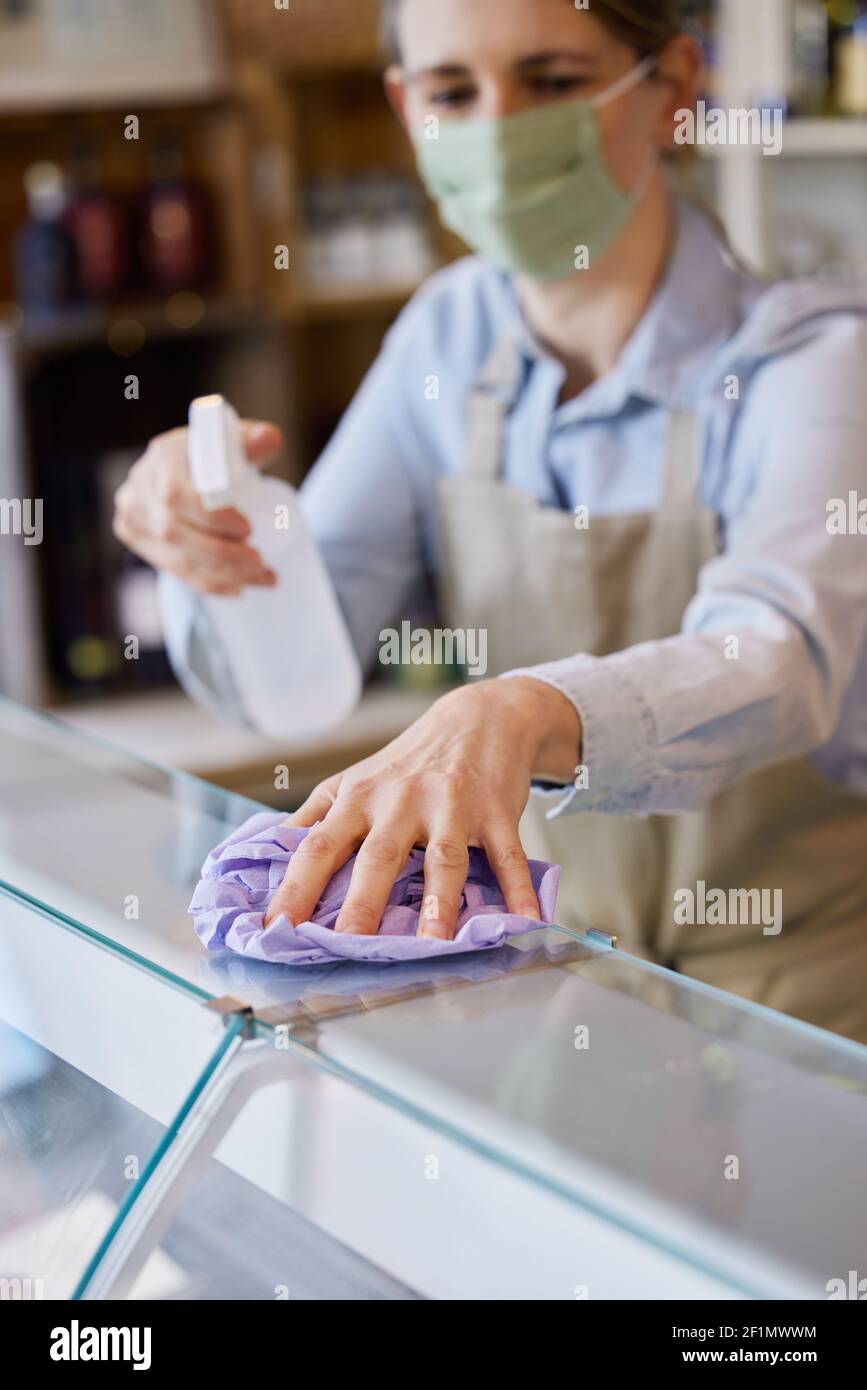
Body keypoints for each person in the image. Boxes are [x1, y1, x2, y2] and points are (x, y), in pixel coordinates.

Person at [114, 0, 867, 1042]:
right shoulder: (443, 339)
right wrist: (219, 543)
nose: (497, 128)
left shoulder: (813, 357)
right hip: (562, 980)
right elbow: (295, 674)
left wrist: (519, 710)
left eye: (553, 81)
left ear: (675, 91)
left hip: (810, 998)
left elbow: (781, 658)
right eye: (452, 92)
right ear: (403, 106)